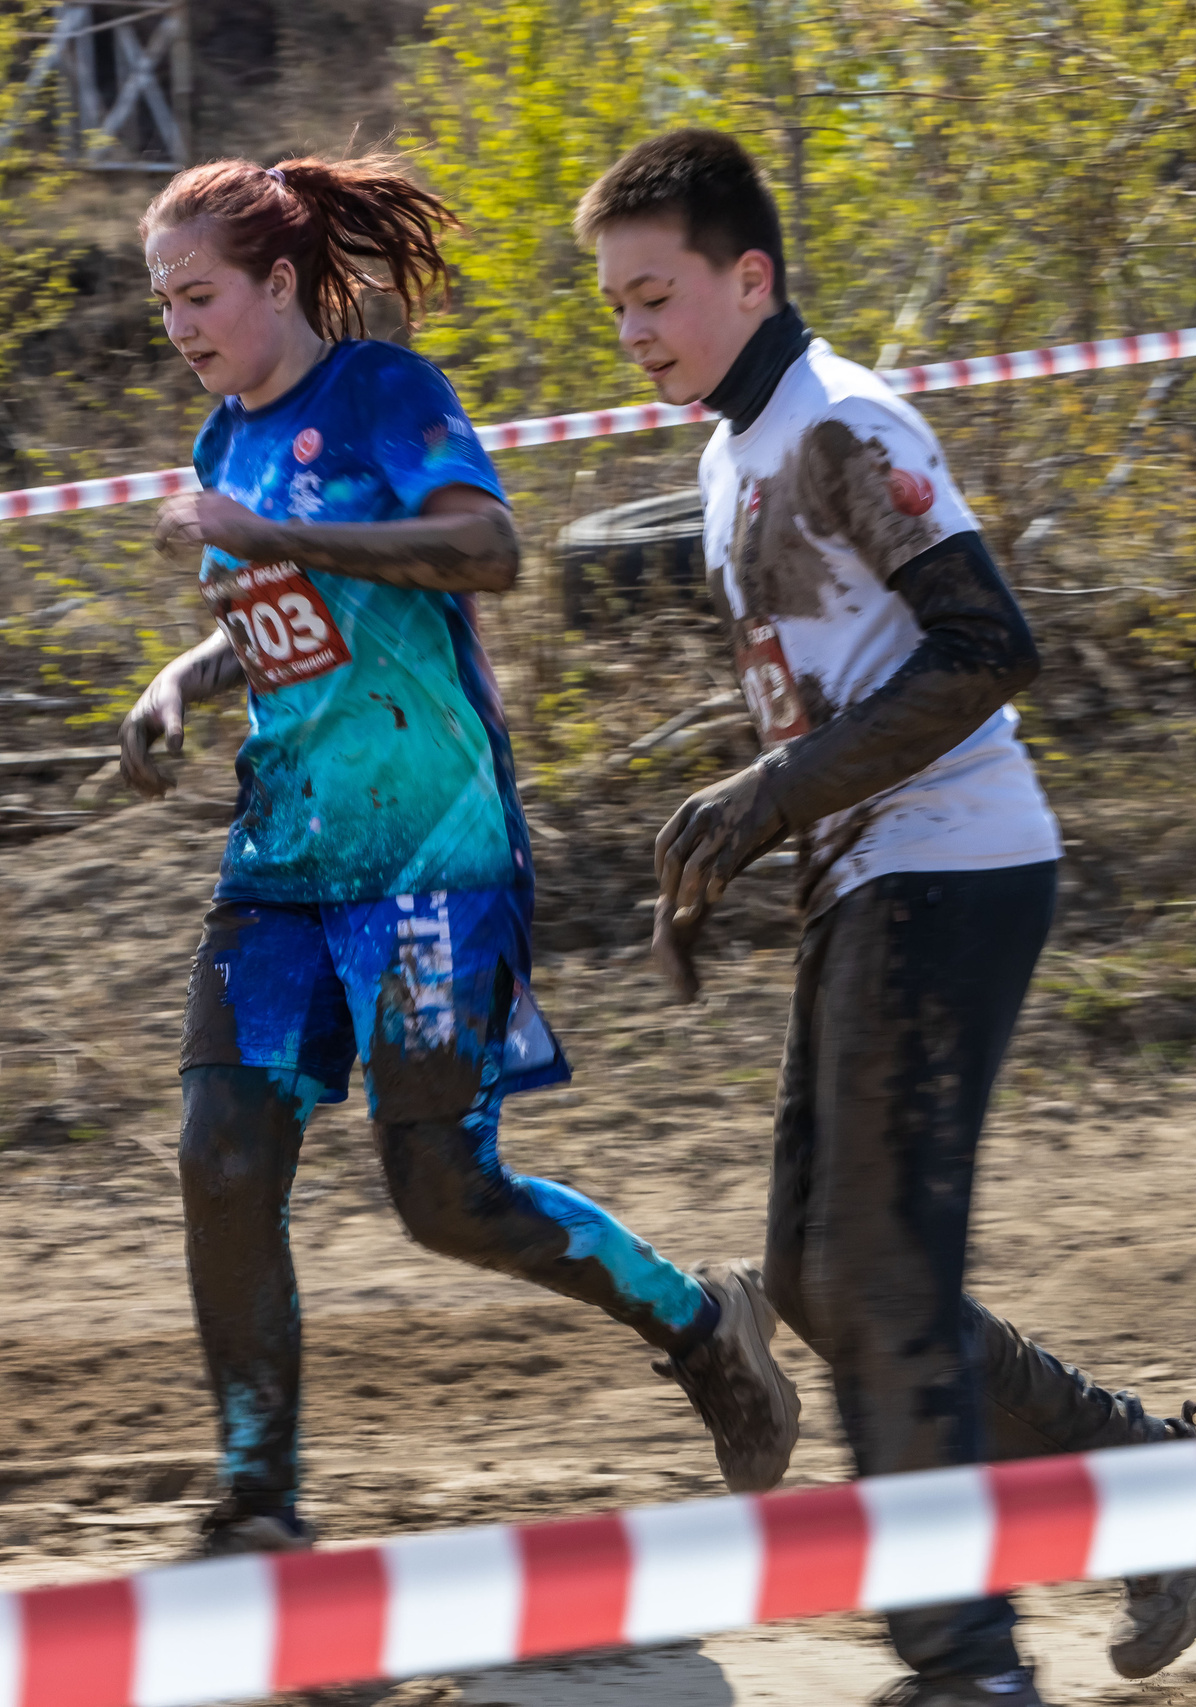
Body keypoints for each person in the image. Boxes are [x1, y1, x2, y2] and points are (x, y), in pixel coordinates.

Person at [575, 131, 1196, 1704]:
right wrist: (734, 826)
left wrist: (770, 795)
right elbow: (836, 690)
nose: (636, 331)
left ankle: (967, 1658)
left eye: (657, 296)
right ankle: (1139, 1470)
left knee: (871, 1268)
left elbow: (989, 644)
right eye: (615, 308)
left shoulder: (840, 422)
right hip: (869, 872)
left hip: (956, 859)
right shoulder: (735, 448)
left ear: (751, 275)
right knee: (817, 1272)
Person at [116, 157, 804, 1556]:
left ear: (282, 283)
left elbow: (487, 548)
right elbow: (286, 606)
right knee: (221, 1152)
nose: (181, 325)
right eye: (163, 302)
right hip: (285, 859)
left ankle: (698, 1319)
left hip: (434, 855)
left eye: (201, 295)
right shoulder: (215, 443)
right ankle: (259, 1495)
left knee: (443, 1191)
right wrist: (187, 675)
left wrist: (272, 532)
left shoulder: (384, 395)